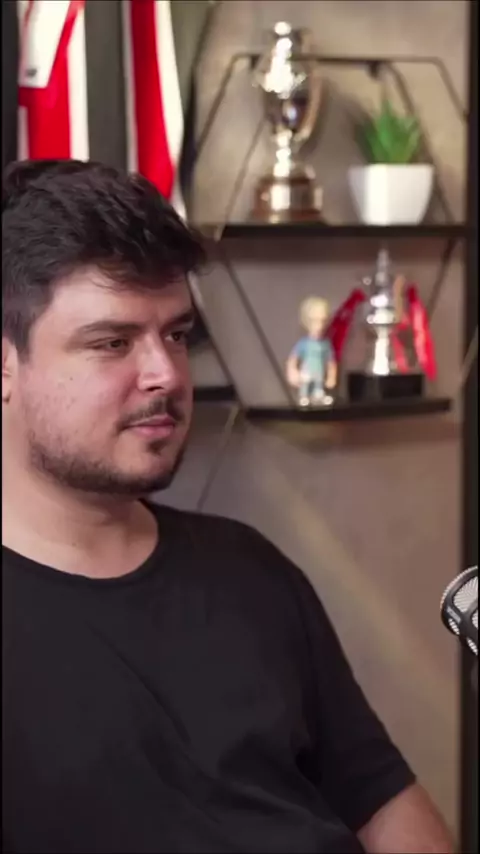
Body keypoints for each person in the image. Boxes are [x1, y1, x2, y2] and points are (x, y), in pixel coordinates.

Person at [2, 160, 454, 854]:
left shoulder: (250, 568)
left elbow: (382, 803)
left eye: (176, 335)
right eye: (113, 343)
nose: (165, 374)